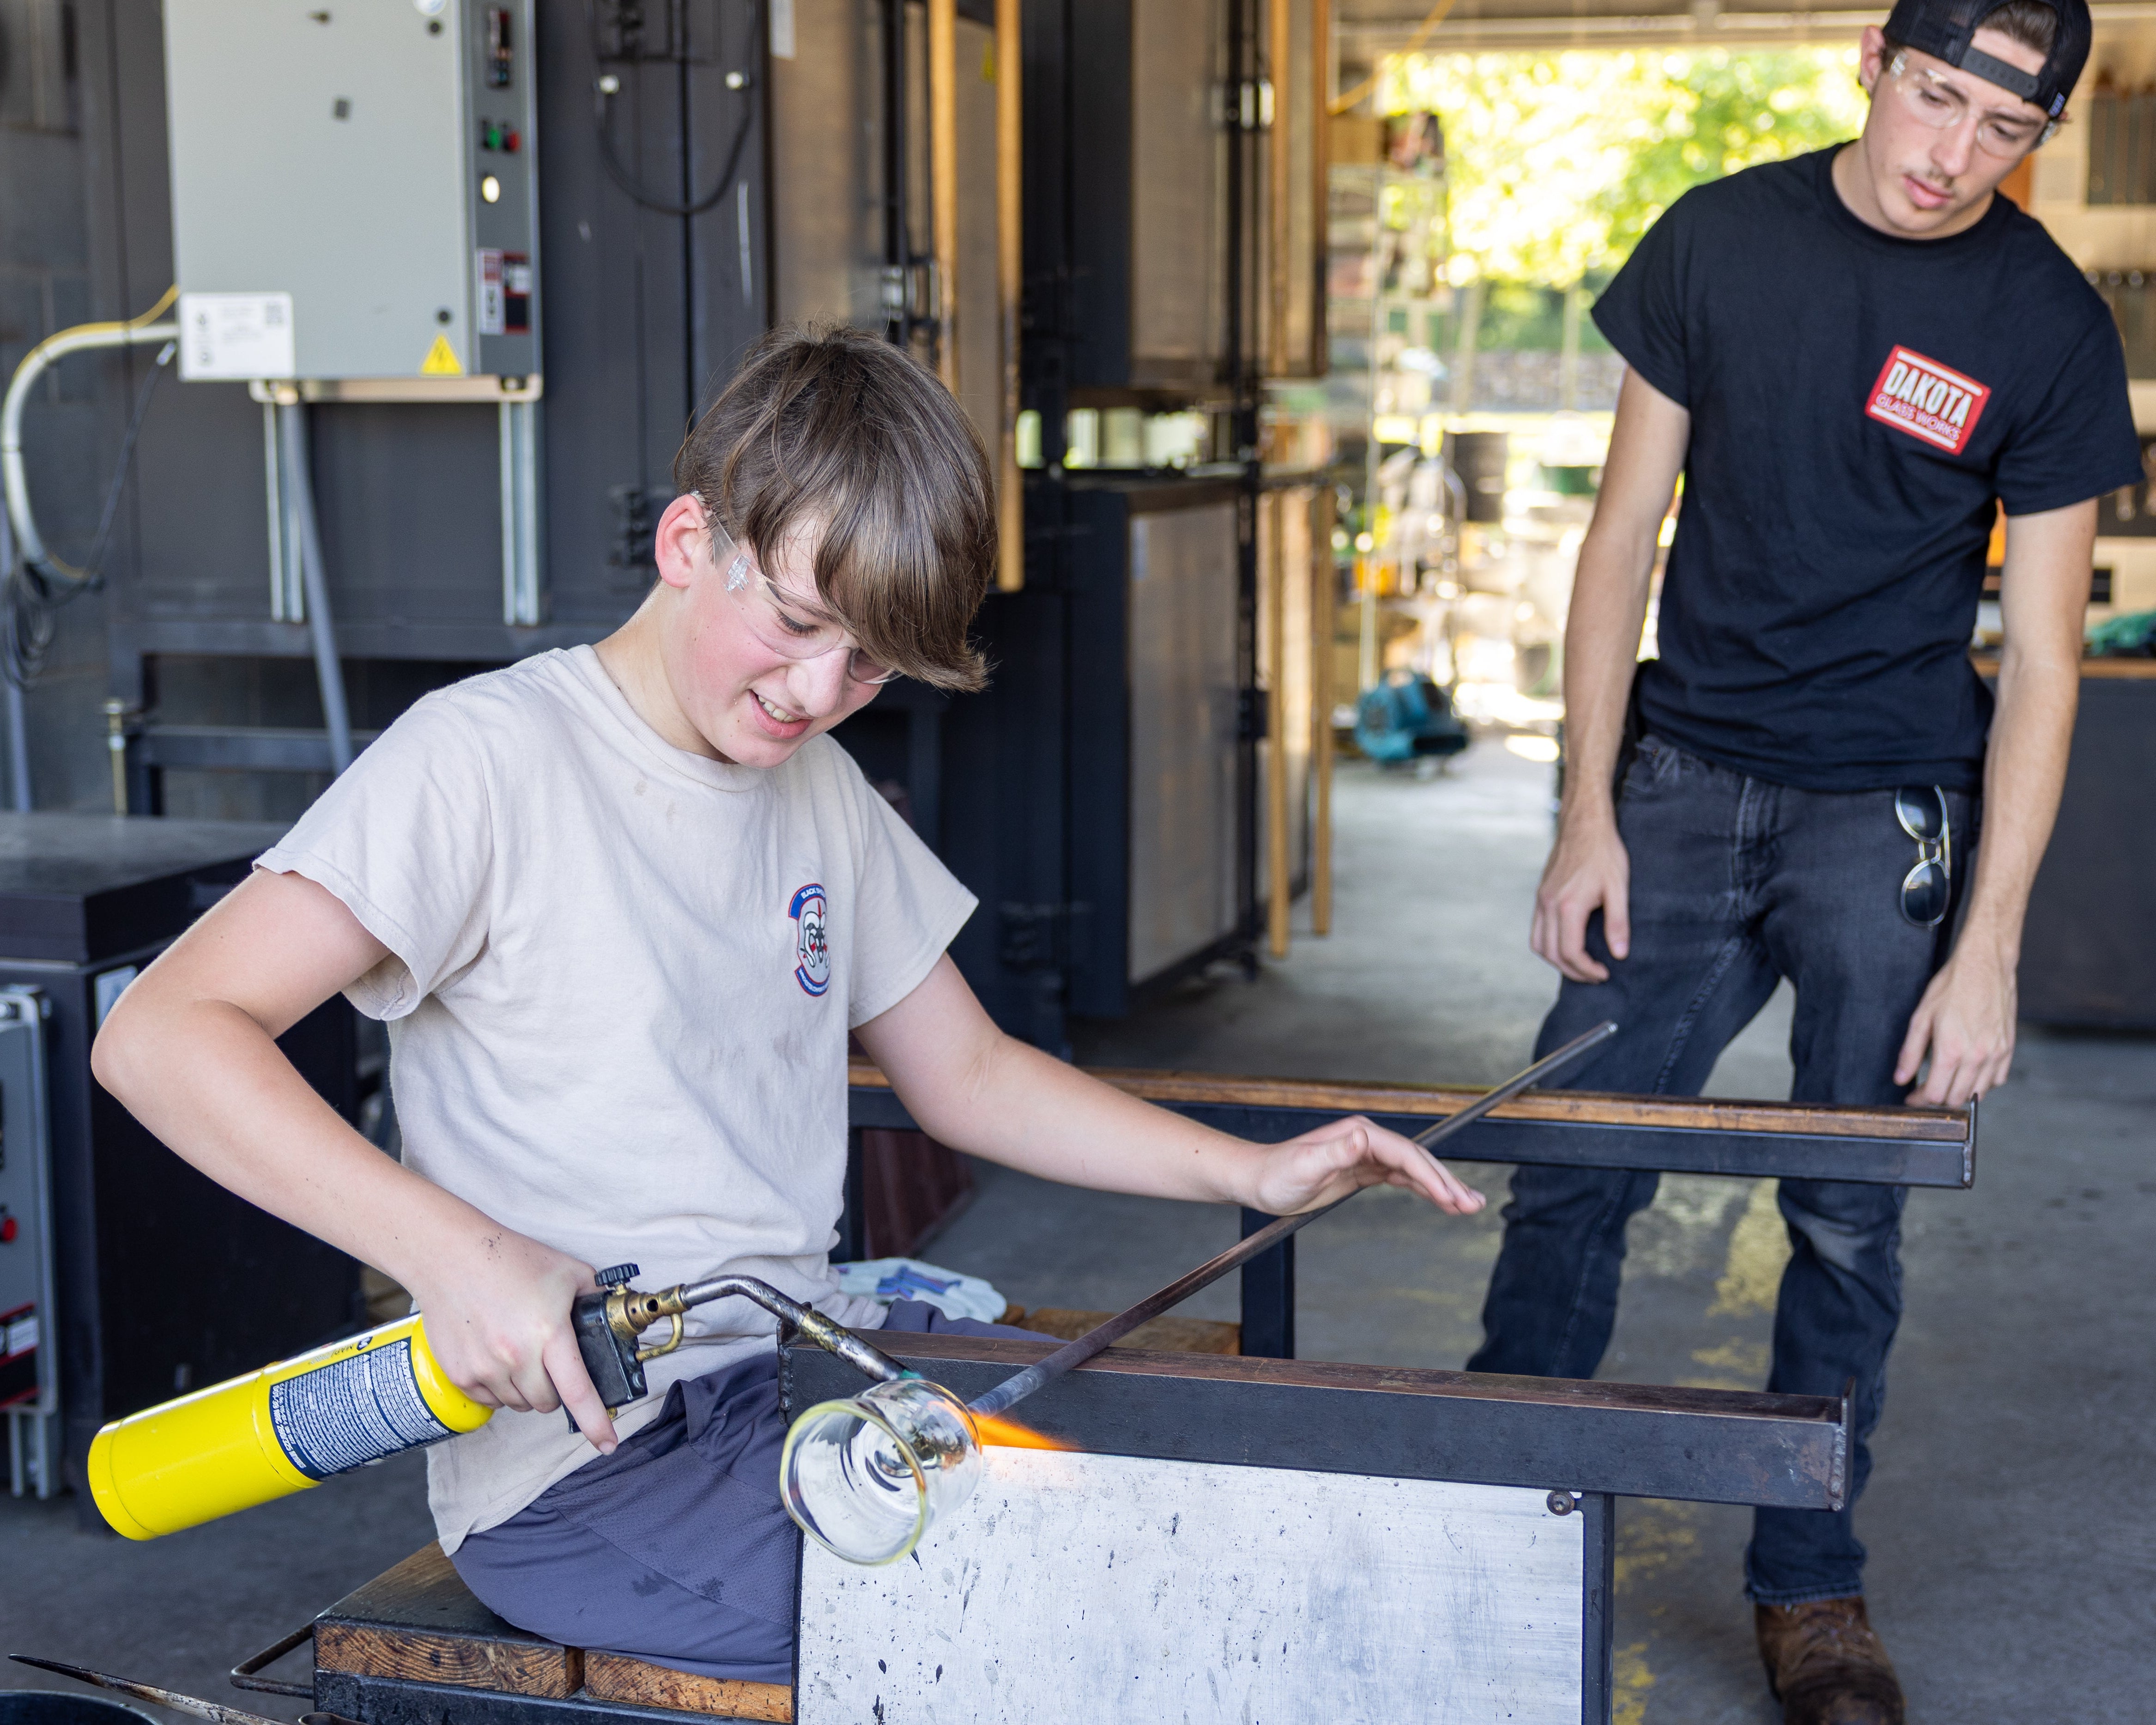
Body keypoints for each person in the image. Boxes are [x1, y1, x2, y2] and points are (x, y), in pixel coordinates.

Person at [92, 328, 1485, 1684]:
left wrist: (1250, 1168)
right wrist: (454, 1257)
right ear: (690, 541)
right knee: (1040, 1616)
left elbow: (972, 1075)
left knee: (1190, 1506)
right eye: (800, 624)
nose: (819, 694)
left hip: (800, 1373)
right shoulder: (487, 763)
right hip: (588, 1467)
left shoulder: (811, 785)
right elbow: (163, 1033)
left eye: (868, 665)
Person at [1466, 3, 2137, 1721]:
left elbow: (2047, 660)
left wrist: (1988, 944)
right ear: (1869, 60)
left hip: (1889, 811)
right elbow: (1621, 538)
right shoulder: (1715, 239)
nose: (1948, 156)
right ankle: (1480, 1504)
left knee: (1850, 1207)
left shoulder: (2043, 324)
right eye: (1932, 98)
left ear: (2040, 132)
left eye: (2002, 129)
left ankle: (1809, 1585)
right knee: (1575, 1161)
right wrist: (1584, 809)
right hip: (1680, 780)